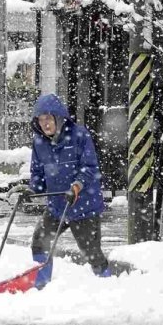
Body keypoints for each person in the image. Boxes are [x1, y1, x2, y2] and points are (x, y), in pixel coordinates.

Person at [22, 94, 110, 289]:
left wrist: (77, 186)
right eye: (41, 119)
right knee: (40, 242)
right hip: (57, 206)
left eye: (48, 118)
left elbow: (89, 168)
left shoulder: (79, 135)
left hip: (83, 205)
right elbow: (37, 172)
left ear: (58, 118)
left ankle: (106, 285)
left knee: (91, 252)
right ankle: (41, 284)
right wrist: (31, 190)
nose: (45, 124)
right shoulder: (39, 143)